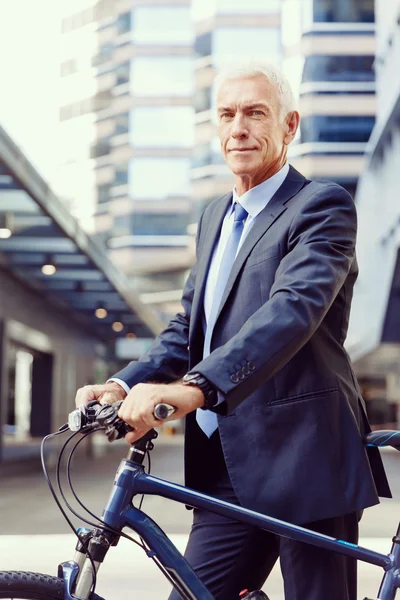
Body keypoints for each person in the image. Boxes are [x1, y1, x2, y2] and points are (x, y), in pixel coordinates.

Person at [75, 61, 391, 600]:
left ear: (289, 126)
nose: (238, 127)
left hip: (303, 460)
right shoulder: (215, 215)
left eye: (254, 113)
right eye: (226, 114)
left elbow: (292, 311)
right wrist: (124, 384)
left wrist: (193, 389)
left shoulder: (321, 207)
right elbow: (188, 325)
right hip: (225, 468)